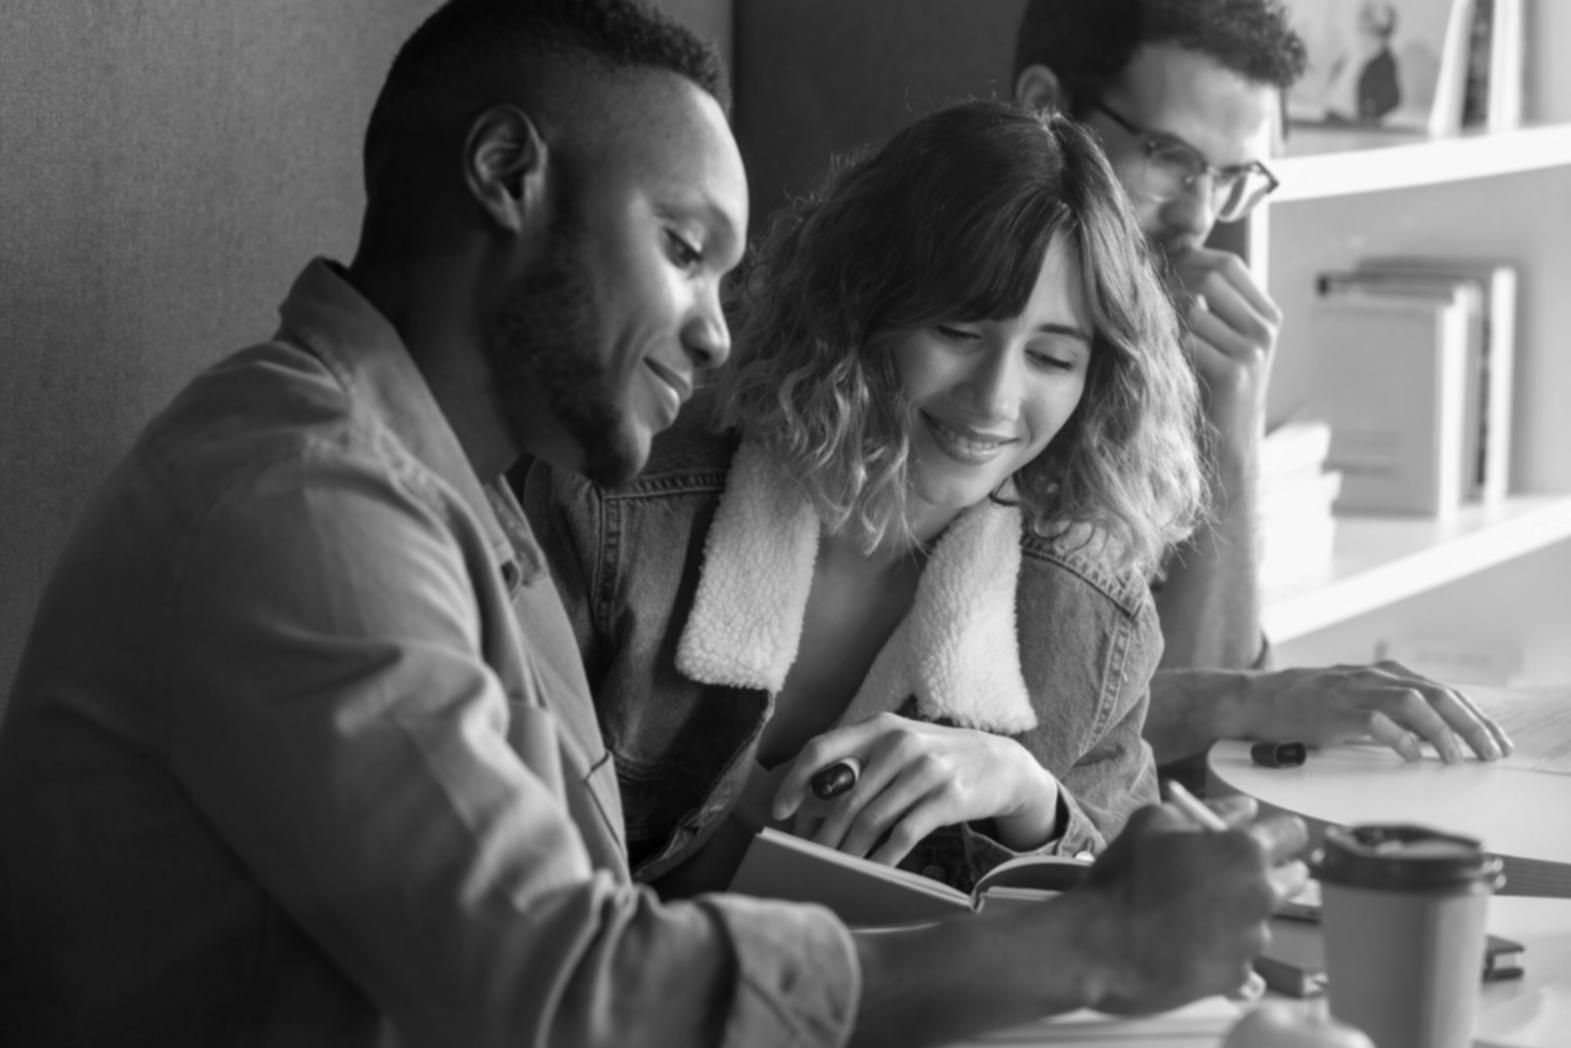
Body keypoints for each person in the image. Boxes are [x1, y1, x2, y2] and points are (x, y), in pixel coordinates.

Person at [0, 1, 1310, 1045]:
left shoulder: (451, 498)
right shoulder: (307, 501)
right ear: (506, 175)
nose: (716, 330)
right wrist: (1082, 942)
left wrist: (1047, 831)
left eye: (1057, 356)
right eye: (684, 250)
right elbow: (564, 989)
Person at [523, 99, 1208, 894]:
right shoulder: (617, 508)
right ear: (861, 307)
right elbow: (515, 889)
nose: (994, 400)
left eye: (1051, 359)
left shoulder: (1092, 613)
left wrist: (1032, 801)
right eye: (958, 333)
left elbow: (1134, 941)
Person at [1010, 0, 1512, 770]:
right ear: (1045, 106)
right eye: (1168, 156)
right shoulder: (956, 342)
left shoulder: (1148, 342)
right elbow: (987, 712)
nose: (1200, 216)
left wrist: (1229, 426)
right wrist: (1249, 701)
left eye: (1230, 177)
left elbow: (1187, 760)